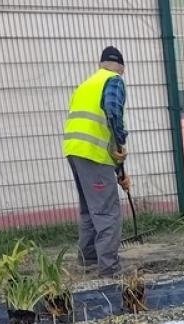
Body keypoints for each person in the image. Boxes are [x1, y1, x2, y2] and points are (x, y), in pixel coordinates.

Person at [64, 46, 129, 278]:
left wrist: (118, 165)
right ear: (121, 67)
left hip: (74, 150)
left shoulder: (86, 84)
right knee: (107, 212)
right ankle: (109, 269)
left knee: (89, 210)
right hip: (93, 153)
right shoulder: (114, 81)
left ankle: (88, 261)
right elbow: (113, 112)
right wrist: (120, 143)